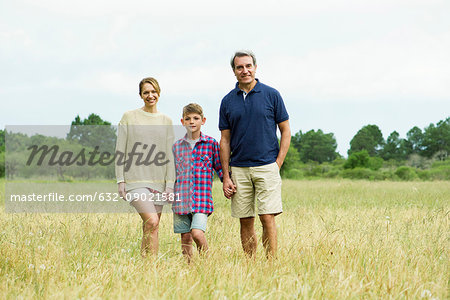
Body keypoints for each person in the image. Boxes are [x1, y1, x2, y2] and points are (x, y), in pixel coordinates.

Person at [219, 50, 291, 258]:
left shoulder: (272, 95)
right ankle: (251, 265)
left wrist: (278, 163)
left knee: (267, 217)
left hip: (267, 165)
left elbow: (285, 130)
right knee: (245, 219)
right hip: (239, 168)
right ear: (234, 71)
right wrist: (226, 175)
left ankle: (270, 263)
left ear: (255, 68)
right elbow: (224, 140)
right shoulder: (227, 101)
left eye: (248, 66)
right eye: (240, 67)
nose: (245, 71)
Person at [115, 77, 175, 257]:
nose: (150, 95)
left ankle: (147, 269)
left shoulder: (166, 120)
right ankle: (150, 267)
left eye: (153, 91)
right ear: (140, 95)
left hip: (159, 181)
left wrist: (170, 184)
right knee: (152, 220)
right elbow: (120, 150)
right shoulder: (129, 117)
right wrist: (120, 180)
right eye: (146, 92)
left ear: (159, 93)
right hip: (135, 180)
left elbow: (169, 155)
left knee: (151, 227)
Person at [172, 103, 223, 261]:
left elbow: (220, 167)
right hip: (180, 201)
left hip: (201, 200)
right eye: (188, 119)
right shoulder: (177, 147)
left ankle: (207, 264)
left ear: (203, 120)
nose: (192, 122)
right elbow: (171, 173)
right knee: (185, 238)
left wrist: (227, 182)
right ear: (182, 122)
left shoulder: (211, 144)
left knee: (197, 233)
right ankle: (190, 268)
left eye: (196, 118)